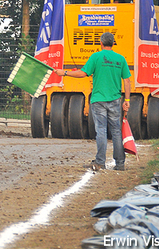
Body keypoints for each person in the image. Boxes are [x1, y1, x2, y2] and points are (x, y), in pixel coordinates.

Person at [54, 32, 131, 171]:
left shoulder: (96, 57)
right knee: (116, 131)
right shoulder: (121, 59)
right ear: (113, 43)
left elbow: (83, 73)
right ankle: (120, 164)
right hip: (115, 100)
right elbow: (127, 81)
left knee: (101, 130)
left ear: (101, 43)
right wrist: (127, 100)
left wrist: (64, 73)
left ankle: (100, 162)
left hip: (98, 100)